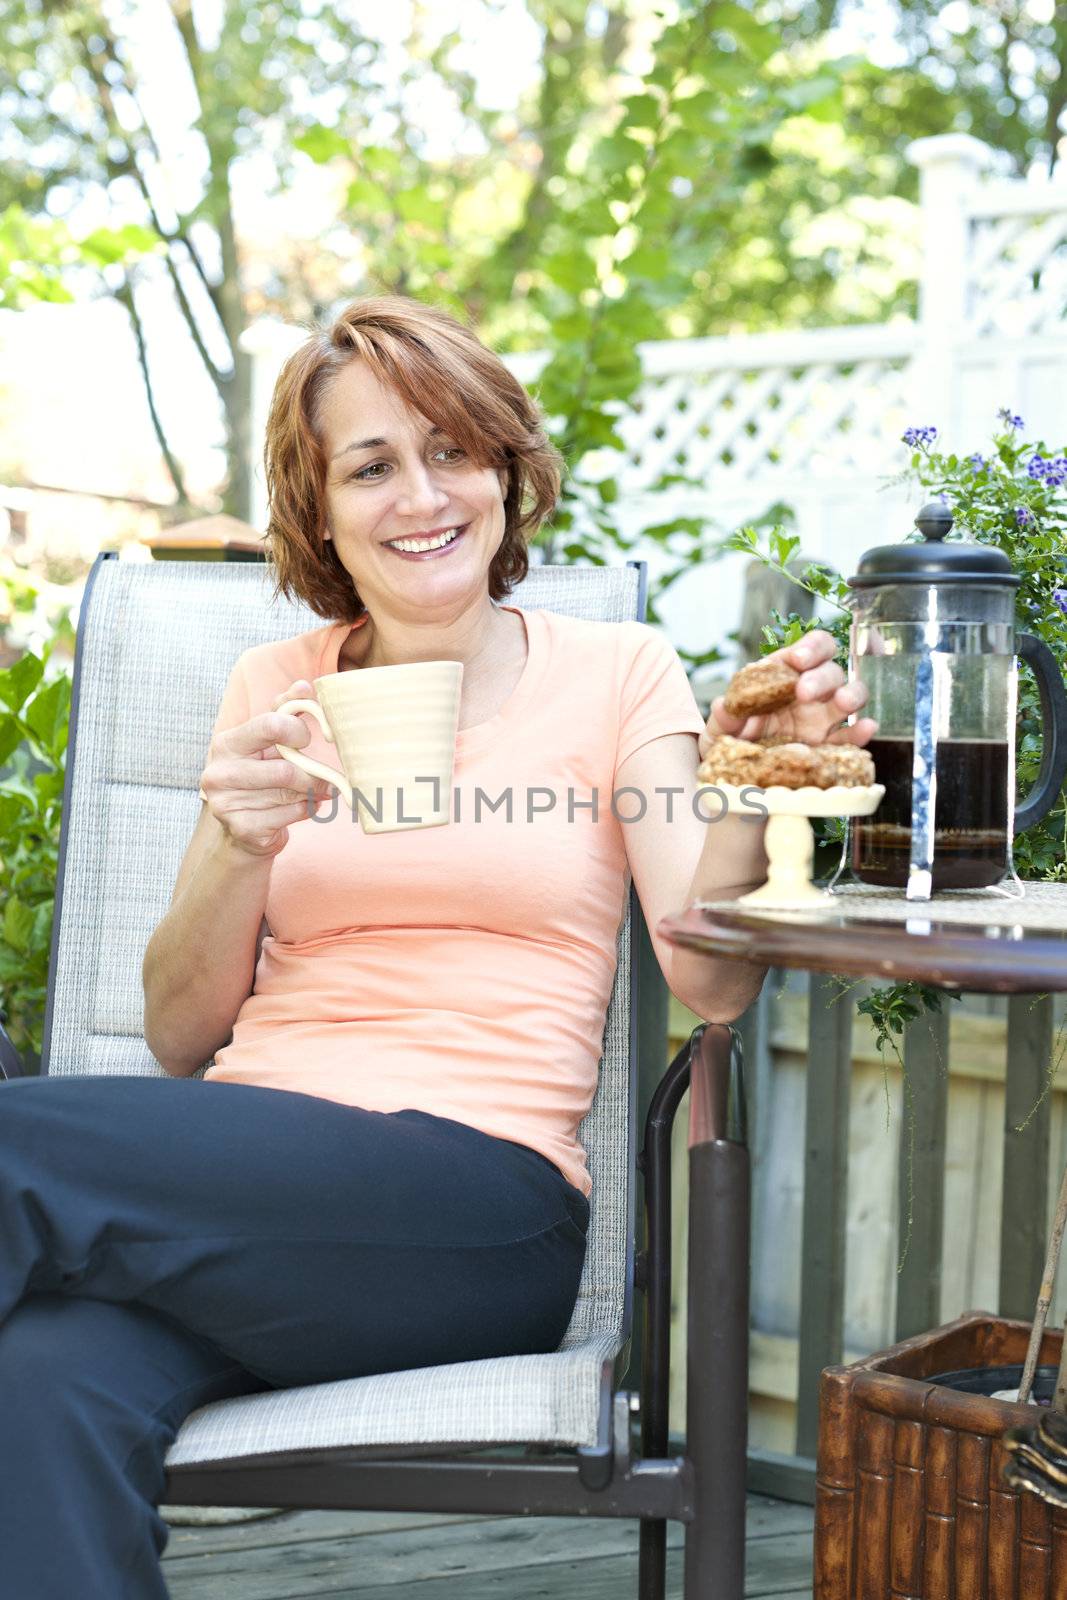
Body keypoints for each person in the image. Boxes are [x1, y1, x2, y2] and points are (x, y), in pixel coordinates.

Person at [0, 296, 873, 1598]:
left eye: (453, 449)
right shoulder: (273, 688)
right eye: (372, 464)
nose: (422, 494)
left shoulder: (616, 672)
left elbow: (709, 975)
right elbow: (185, 1037)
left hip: (475, 1208)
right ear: (324, 507)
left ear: (508, 474)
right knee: (40, 1382)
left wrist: (756, 789)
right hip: (245, 1200)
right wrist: (238, 842)